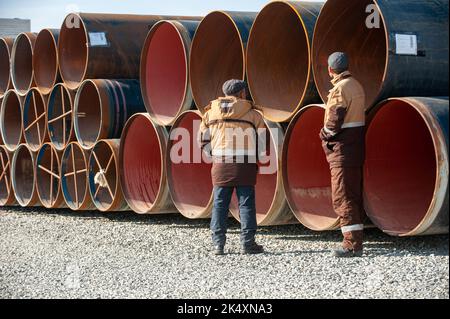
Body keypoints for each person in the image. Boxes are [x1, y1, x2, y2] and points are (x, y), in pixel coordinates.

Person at [199, 79, 265, 256]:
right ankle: (248, 244)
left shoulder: (210, 114)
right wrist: (255, 159)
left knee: (219, 204)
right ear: (242, 93)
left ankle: (218, 245)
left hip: (220, 163)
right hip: (245, 164)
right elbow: (262, 142)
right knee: (246, 204)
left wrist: (212, 156)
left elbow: (202, 140)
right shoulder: (254, 115)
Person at [319, 52, 366, 258]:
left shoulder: (339, 89)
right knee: (353, 195)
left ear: (330, 70)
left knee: (342, 197)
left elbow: (334, 121)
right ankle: (356, 239)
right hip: (355, 147)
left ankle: (351, 245)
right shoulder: (356, 85)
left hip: (342, 149)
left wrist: (324, 135)